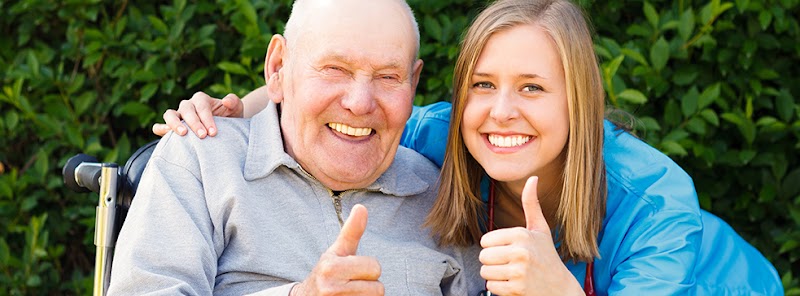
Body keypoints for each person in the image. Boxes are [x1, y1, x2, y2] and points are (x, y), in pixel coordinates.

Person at [157, 0, 783, 295]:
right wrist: (240, 106)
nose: (501, 110)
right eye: (483, 85)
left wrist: (561, 293)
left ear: (580, 101)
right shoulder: (446, 134)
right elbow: (349, 100)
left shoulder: (654, 201)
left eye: (533, 87)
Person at [109, 0, 480, 295]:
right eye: (335, 69)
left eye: (388, 76)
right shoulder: (203, 160)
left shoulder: (439, 192)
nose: (360, 103)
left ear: (413, 82)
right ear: (278, 67)